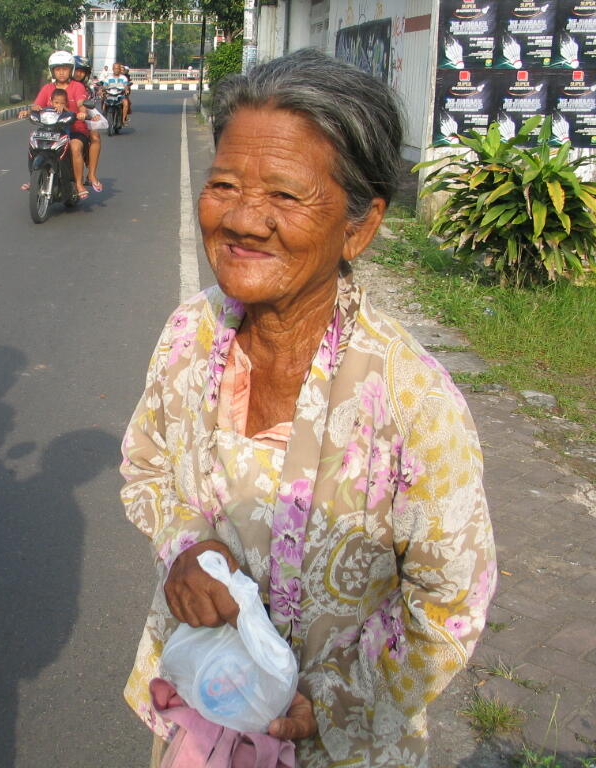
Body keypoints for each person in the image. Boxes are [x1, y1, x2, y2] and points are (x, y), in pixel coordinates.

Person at [120, 49, 497, 767]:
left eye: (286, 197)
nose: (243, 218)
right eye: (223, 183)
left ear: (359, 227)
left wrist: (336, 701)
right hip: (200, 711)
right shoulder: (188, 336)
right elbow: (146, 467)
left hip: (335, 746)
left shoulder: (413, 402)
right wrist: (184, 546)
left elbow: (451, 602)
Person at [19, 51, 91, 198]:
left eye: (65, 68)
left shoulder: (77, 87)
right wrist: (29, 111)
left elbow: (81, 104)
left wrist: (82, 112)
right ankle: (34, 178)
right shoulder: (47, 88)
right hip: (50, 129)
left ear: (70, 70)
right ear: (52, 71)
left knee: (75, 147)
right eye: (58, 69)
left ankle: (78, 183)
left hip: (75, 129)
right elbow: (37, 105)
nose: (61, 72)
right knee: (35, 144)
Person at [72, 56, 103, 191]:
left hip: (80, 123)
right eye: (76, 70)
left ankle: (91, 174)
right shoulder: (58, 86)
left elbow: (89, 109)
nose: (78, 74)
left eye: (82, 71)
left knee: (95, 136)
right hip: (60, 123)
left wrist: (92, 117)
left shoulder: (87, 90)